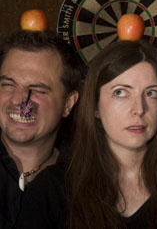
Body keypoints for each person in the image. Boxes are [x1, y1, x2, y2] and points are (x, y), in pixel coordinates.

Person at [68, 40, 157, 229]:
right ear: (95, 106)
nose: (139, 109)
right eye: (121, 92)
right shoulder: (55, 189)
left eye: (151, 94)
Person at [0, 30, 84, 229]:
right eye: (8, 85)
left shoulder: (86, 185)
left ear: (68, 104)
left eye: (37, 89)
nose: (19, 100)